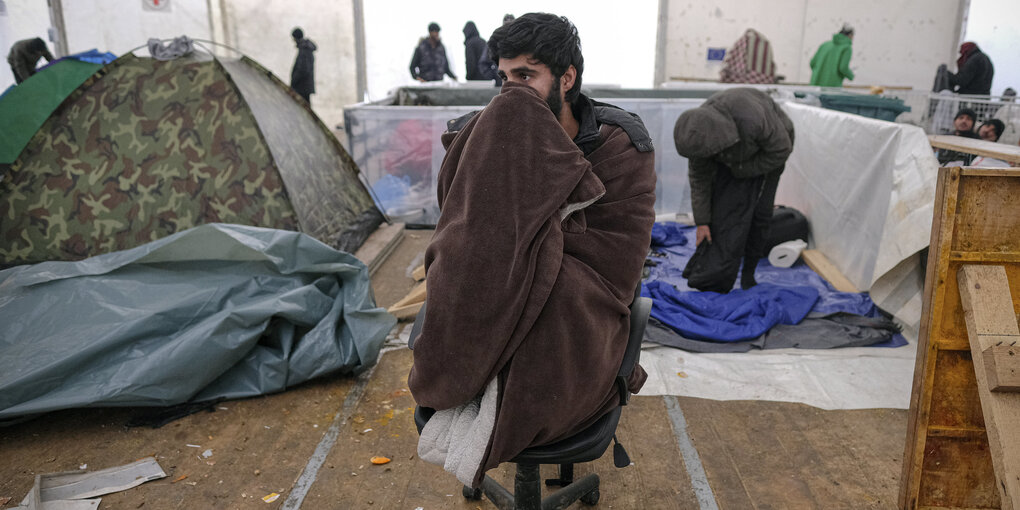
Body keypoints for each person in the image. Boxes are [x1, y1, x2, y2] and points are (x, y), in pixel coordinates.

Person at [409, 12, 655, 488]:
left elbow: (614, 264)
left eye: (525, 76)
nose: (511, 94)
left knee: (556, 303)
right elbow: (462, 242)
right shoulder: (479, 135)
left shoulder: (619, 144)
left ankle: (503, 405)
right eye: (503, 78)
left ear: (567, 78)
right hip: (492, 300)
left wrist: (519, 242)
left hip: (577, 313)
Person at [673, 88, 795, 292]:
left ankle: (749, 273)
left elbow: (781, 149)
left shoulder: (752, 120)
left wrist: (742, 170)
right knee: (726, 209)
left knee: (760, 213)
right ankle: (721, 265)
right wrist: (702, 222)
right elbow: (699, 180)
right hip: (734, 154)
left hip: (772, 151)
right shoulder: (699, 132)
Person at [477, 14, 514, 86]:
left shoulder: (521, 42)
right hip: (500, 84)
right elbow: (483, 63)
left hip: (516, 84)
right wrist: (493, 75)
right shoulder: (495, 40)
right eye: (507, 23)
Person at [289, 28, 316, 106]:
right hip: (304, 86)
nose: (293, 40)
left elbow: (303, 69)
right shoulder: (306, 48)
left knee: (304, 107)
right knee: (306, 107)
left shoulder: (304, 49)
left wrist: (294, 81)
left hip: (301, 86)